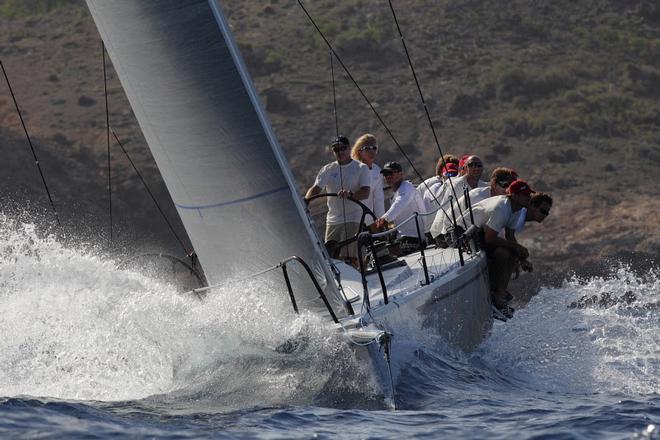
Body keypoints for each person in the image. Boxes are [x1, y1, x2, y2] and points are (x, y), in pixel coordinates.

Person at [455, 179, 534, 319]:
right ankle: (495, 295)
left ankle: (499, 297)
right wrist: (517, 248)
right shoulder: (502, 208)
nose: (529, 198)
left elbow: (510, 236)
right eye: (525, 195)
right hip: (463, 232)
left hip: (478, 233)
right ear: (515, 196)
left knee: (511, 253)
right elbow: (489, 239)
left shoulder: (517, 209)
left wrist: (522, 258)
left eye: (529, 194)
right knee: (503, 254)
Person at [305, 136, 370, 264]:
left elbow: (365, 192)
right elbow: (316, 189)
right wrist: (305, 202)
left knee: (351, 257)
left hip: (353, 217)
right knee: (331, 257)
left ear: (349, 148)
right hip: (333, 219)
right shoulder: (328, 169)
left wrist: (350, 194)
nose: (340, 152)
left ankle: (359, 275)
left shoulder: (361, 168)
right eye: (336, 149)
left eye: (343, 148)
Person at [374, 161, 427, 253]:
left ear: (401, 174)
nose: (388, 176)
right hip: (403, 238)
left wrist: (385, 219)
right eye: (385, 174)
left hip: (415, 239)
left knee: (383, 253)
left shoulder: (407, 187)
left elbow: (400, 203)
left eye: (390, 173)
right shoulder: (396, 194)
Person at [351, 134, 385, 224]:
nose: (371, 151)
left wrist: (381, 220)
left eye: (374, 148)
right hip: (352, 219)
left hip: (369, 220)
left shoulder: (377, 171)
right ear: (359, 152)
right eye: (367, 148)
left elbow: (379, 199)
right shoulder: (352, 169)